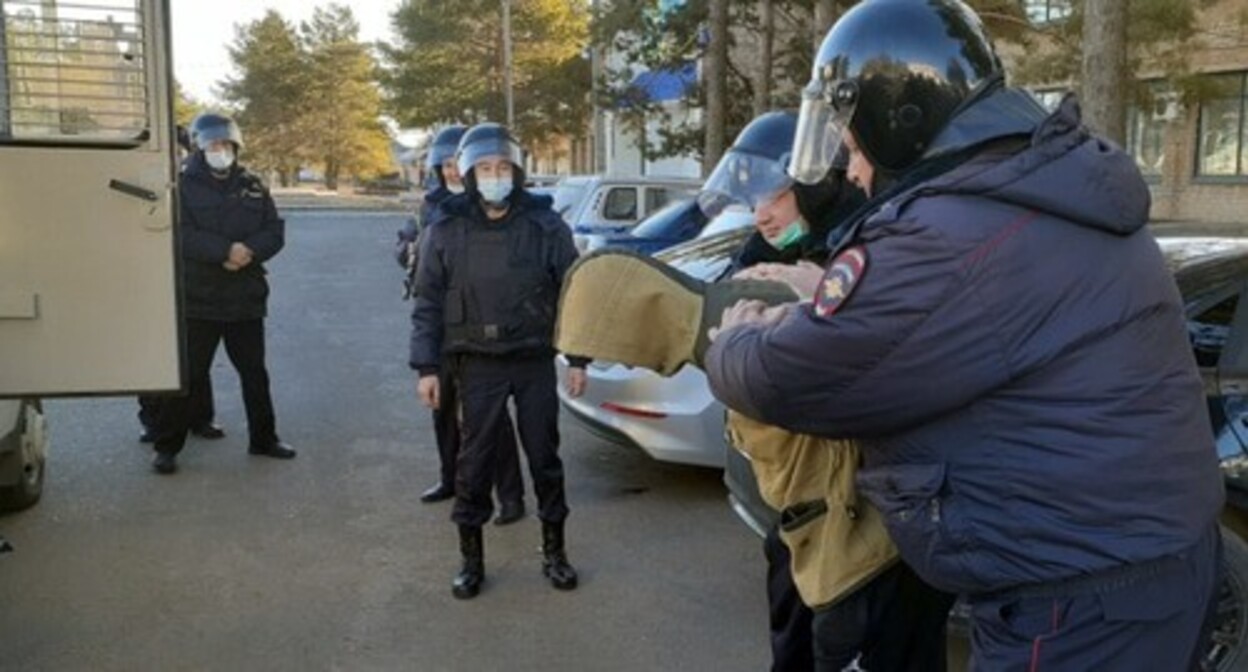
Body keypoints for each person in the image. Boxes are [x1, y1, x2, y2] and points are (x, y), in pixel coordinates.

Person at [705, 1, 1223, 670]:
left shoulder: (951, 235)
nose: (854, 172)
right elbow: (954, 324)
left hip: (1072, 604)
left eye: (855, 146)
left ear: (902, 120)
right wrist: (824, 293)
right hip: (1147, 565)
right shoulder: (1040, 189)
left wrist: (732, 337)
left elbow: (799, 377)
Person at [701, 110, 952, 672]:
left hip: (878, 521)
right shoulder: (761, 255)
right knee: (794, 636)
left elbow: (900, 363)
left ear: (813, 186)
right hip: (797, 505)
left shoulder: (875, 241)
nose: (761, 213)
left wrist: (823, 295)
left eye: (774, 195)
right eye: (752, 199)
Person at [409, 122, 586, 599]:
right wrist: (427, 368)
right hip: (477, 365)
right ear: (467, 174)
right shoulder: (445, 229)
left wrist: (579, 359)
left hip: (531, 361)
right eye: (484, 168)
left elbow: (574, 296)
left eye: (502, 167)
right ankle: (471, 560)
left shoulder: (546, 226)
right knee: (474, 462)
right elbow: (427, 302)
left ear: (518, 172)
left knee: (545, 458)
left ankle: (555, 552)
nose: (494, 176)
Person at [151, 113, 296, 475]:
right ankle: (167, 446)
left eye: (227, 145)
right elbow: (180, 234)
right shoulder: (183, 186)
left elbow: (273, 230)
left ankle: (264, 439)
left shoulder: (252, 184)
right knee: (189, 375)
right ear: (200, 147)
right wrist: (224, 251)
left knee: (254, 374)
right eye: (214, 145)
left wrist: (248, 250)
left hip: (244, 297)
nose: (221, 151)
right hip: (200, 298)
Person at [396, 125, 526, 525]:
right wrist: (407, 250)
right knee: (443, 408)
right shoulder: (431, 204)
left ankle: (510, 496)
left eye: (457, 164)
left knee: (492, 418)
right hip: (442, 326)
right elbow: (414, 254)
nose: (452, 172)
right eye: (445, 165)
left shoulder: (489, 204)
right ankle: (450, 478)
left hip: (482, 330)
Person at [138, 121, 224, 444]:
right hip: (148, 278)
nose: (174, 158)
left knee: (194, 357)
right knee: (153, 355)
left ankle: (201, 418)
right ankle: (153, 421)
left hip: (191, 279)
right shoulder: (144, 181)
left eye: (179, 151)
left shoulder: (192, 183)